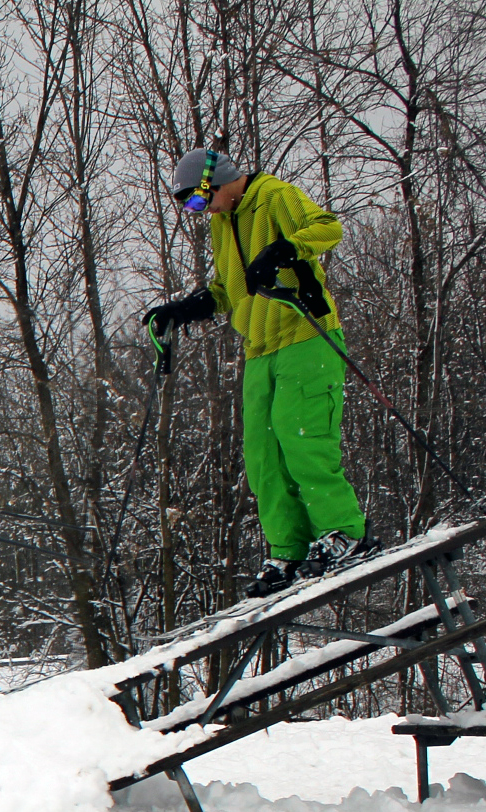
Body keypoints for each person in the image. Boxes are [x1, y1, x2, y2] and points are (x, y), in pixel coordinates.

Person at [144, 146, 376, 599]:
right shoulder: (221, 221)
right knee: (262, 454)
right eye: (190, 204)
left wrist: (285, 250)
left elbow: (328, 227)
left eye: (198, 199)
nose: (199, 209)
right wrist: (184, 309)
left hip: (305, 335)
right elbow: (227, 290)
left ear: (219, 180)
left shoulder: (274, 197)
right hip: (258, 347)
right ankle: (288, 549)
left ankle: (345, 532)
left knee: (301, 435)